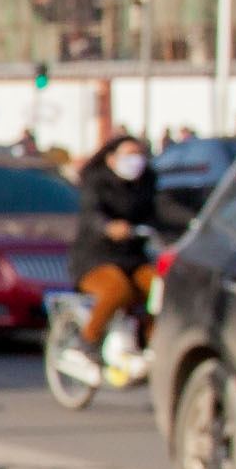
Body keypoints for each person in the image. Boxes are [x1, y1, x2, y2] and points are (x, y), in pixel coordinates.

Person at [68, 132, 161, 367]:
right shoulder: (97, 182)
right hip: (96, 259)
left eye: (139, 155)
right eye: (129, 155)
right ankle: (87, 341)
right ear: (111, 159)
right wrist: (109, 227)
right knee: (117, 289)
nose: (136, 161)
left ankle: (150, 343)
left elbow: (160, 213)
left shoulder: (147, 182)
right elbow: (91, 214)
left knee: (159, 289)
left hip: (134, 258)